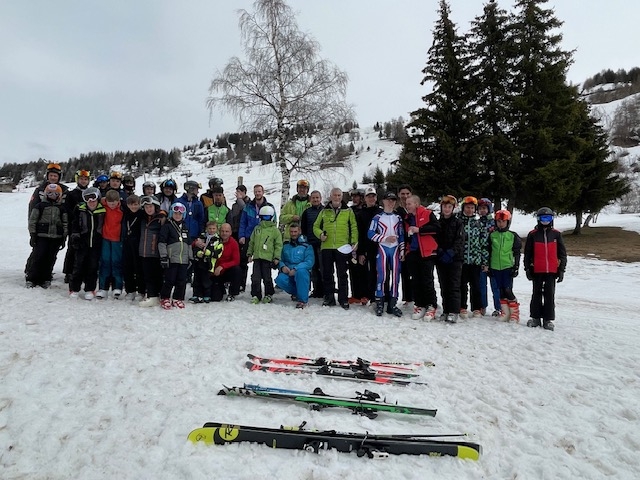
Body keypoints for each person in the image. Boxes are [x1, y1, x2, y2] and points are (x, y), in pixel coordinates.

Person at [313, 188, 358, 309]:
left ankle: (343, 299)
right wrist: (320, 234)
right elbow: (316, 226)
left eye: (339, 195)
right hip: (327, 247)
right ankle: (329, 298)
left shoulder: (348, 211)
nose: (337, 197)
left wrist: (354, 241)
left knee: (342, 274)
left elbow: (353, 226)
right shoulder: (324, 211)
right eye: (334, 195)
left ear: (341, 197)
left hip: (342, 247)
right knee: (327, 274)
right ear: (330, 196)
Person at [524, 207, 567, 331]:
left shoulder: (556, 234)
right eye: (543, 218)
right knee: (536, 294)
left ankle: (548, 319)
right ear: (538, 219)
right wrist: (527, 268)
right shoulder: (532, 235)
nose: (545, 221)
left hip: (551, 271)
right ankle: (535, 317)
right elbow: (527, 253)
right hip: (537, 270)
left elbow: (562, 254)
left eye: (548, 218)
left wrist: (561, 270)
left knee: (549, 294)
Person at [368, 192, 405, 317]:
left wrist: (402, 250)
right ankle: (379, 302)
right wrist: (384, 238)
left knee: (395, 277)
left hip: (395, 250)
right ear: (383, 201)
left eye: (393, 200)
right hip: (382, 249)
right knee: (381, 276)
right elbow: (370, 234)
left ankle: (392, 304)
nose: (391, 202)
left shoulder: (398, 217)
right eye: (388, 200)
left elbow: (401, 235)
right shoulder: (377, 217)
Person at [404, 195, 440, 320]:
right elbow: (406, 236)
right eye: (406, 204)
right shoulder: (407, 218)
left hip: (427, 252)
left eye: (409, 203)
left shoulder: (427, 213)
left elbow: (437, 228)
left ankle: (431, 305)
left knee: (427, 280)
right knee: (416, 280)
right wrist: (406, 250)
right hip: (413, 253)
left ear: (416, 204)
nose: (407, 206)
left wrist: (420, 230)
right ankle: (419, 304)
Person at [26, 184, 68, 288]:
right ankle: (32, 278)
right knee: (39, 256)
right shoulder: (40, 206)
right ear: (45, 194)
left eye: (55, 194)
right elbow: (33, 220)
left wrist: (64, 237)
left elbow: (65, 223)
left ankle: (46, 278)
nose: (52, 195)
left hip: (56, 237)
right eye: (49, 193)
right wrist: (33, 234)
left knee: (50, 258)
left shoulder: (61, 208)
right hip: (42, 236)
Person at [68, 187, 105, 299]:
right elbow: (74, 224)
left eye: (93, 199)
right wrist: (75, 237)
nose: (91, 202)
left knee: (93, 267)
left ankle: (90, 288)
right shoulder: (80, 209)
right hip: (82, 243)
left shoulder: (102, 211)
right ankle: (74, 288)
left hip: (96, 243)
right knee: (78, 266)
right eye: (87, 199)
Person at [239, 184, 276, 292]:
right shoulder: (248, 206)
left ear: (263, 192)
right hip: (249, 236)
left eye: (259, 191)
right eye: (255, 191)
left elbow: (274, 222)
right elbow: (243, 222)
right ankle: (241, 284)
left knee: (264, 263)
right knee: (243, 261)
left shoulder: (269, 206)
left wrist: (271, 237)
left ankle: (268, 287)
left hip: (264, 238)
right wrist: (241, 236)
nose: (257, 193)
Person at [487, 209, 522, 321]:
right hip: (495, 266)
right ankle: (505, 312)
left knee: (507, 289)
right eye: (498, 221)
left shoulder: (512, 236)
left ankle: (514, 313)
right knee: (500, 290)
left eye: (503, 221)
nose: (500, 223)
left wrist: (516, 266)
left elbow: (517, 253)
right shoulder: (492, 235)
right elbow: (488, 251)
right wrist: (488, 266)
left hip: (507, 266)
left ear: (507, 222)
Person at [458, 196, 489, 318]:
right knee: (462, 284)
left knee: (476, 285)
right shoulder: (459, 222)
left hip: (476, 260)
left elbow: (484, 243)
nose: (469, 210)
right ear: (463, 208)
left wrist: (484, 261)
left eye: (472, 208)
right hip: (462, 259)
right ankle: (462, 306)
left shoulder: (479, 223)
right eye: (467, 207)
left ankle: (476, 307)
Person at [435, 195, 464, 323]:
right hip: (441, 258)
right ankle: (446, 310)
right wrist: (440, 251)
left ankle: (454, 310)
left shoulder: (458, 223)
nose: (446, 209)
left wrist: (451, 252)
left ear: (453, 208)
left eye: (449, 207)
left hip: (455, 259)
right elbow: (435, 238)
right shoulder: (438, 222)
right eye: (444, 207)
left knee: (454, 285)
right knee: (444, 285)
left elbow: (460, 240)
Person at [158, 202, 193, 309]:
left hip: (183, 259)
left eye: (180, 214)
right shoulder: (167, 226)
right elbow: (162, 242)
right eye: (175, 213)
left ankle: (178, 298)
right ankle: (165, 297)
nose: (178, 215)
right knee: (170, 279)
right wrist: (164, 256)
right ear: (172, 213)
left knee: (181, 280)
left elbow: (189, 244)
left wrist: (190, 257)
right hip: (172, 258)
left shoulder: (185, 227)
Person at [247, 205, 282, 304]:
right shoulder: (257, 229)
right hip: (257, 257)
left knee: (267, 277)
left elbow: (278, 245)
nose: (265, 219)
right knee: (255, 277)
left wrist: (276, 257)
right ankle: (256, 294)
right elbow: (252, 242)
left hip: (268, 258)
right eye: (263, 217)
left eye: (267, 217)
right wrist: (249, 253)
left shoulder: (274, 230)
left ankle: (268, 294)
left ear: (271, 217)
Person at [352, 187, 381, 305]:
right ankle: (366, 295)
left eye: (373, 196)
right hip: (366, 248)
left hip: (380, 247)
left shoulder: (381, 212)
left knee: (380, 272)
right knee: (366, 272)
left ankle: (380, 295)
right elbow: (360, 233)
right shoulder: (361, 214)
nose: (371, 199)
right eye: (369, 196)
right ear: (365, 199)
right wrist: (361, 252)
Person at [276, 223, 315, 308]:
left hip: (300, 271)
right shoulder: (286, 246)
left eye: (295, 231)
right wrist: (282, 267)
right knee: (280, 279)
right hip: (288, 272)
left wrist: (296, 269)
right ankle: (296, 293)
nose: (293, 234)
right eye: (291, 232)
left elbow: (309, 262)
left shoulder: (306, 246)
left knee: (301, 273)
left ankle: (302, 300)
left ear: (299, 231)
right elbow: (281, 259)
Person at [62, 169, 91, 283]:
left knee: (85, 250)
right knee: (72, 249)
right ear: (77, 180)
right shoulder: (72, 194)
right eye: (81, 179)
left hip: (87, 226)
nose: (83, 181)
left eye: (85, 179)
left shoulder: (90, 193)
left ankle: (82, 271)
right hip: (74, 226)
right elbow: (67, 209)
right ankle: (68, 272)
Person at [97, 190, 125, 299]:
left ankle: (117, 287)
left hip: (117, 239)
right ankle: (103, 287)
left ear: (118, 201)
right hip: (105, 238)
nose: (112, 204)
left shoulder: (122, 209)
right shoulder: (104, 206)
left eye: (114, 202)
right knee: (105, 262)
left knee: (116, 262)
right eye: (110, 202)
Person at [138, 195, 164, 307]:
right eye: (146, 207)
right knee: (147, 275)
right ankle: (151, 294)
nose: (148, 209)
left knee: (156, 274)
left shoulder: (160, 219)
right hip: (144, 252)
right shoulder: (142, 218)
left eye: (151, 206)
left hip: (155, 252)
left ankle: (155, 295)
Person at [190, 221, 223, 303]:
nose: (211, 230)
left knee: (206, 280)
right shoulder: (202, 237)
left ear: (216, 229)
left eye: (213, 228)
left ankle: (206, 295)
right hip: (199, 262)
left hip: (209, 263)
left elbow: (218, 252)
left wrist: (208, 252)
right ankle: (197, 294)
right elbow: (196, 247)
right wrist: (198, 253)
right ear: (206, 229)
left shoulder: (218, 240)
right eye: (210, 228)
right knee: (197, 278)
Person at [478, 198, 500, 316]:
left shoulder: (494, 223)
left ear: (489, 209)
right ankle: (482, 306)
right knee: (481, 285)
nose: (482, 211)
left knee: (495, 285)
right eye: (480, 208)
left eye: (484, 208)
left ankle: (498, 307)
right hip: (480, 259)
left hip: (493, 259)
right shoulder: (477, 223)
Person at [300, 190, 324, 298]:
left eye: (317, 198)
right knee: (314, 268)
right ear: (310, 199)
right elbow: (303, 228)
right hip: (311, 243)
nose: (315, 200)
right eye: (313, 198)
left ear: (320, 198)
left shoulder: (325, 211)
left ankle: (327, 290)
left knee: (324, 268)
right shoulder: (307, 212)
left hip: (323, 244)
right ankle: (317, 290)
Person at [211, 223, 242, 302]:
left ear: (231, 232)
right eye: (222, 231)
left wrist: (222, 266)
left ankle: (233, 293)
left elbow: (236, 261)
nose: (224, 233)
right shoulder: (214, 240)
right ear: (219, 231)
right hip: (215, 272)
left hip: (226, 270)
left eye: (227, 231)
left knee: (237, 269)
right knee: (216, 298)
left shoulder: (234, 243)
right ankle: (221, 288)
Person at [122, 194, 145, 300]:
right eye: (131, 205)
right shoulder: (126, 214)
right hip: (128, 242)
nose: (134, 207)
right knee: (128, 267)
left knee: (139, 267)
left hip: (139, 243)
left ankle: (141, 291)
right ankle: (130, 290)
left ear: (139, 204)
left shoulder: (142, 214)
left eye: (136, 204)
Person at [396, 184, 414, 305]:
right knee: (405, 272)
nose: (405, 196)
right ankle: (408, 297)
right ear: (399, 195)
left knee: (415, 272)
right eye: (403, 194)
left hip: (414, 244)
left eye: (407, 193)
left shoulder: (414, 209)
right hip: (401, 244)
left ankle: (417, 296)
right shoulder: (397, 210)